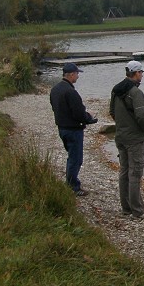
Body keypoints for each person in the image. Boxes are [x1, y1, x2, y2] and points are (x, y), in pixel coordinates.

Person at [109, 60, 144, 220]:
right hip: (134, 138)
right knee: (135, 173)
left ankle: (126, 208)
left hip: (120, 136)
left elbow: (112, 111)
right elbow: (141, 116)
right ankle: (138, 210)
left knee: (124, 171)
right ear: (135, 73)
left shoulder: (116, 89)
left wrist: (122, 125)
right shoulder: (136, 93)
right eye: (141, 73)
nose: (142, 75)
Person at [49, 62, 98, 196]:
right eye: (77, 74)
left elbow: (54, 107)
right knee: (75, 159)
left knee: (71, 156)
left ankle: (71, 182)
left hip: (62, 128)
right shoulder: (70, 91)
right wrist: (89, 119)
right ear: (71, 75)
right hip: (73, 130)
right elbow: (78, 112)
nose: (78, 76)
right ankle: (73, 186)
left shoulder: (55, 89)